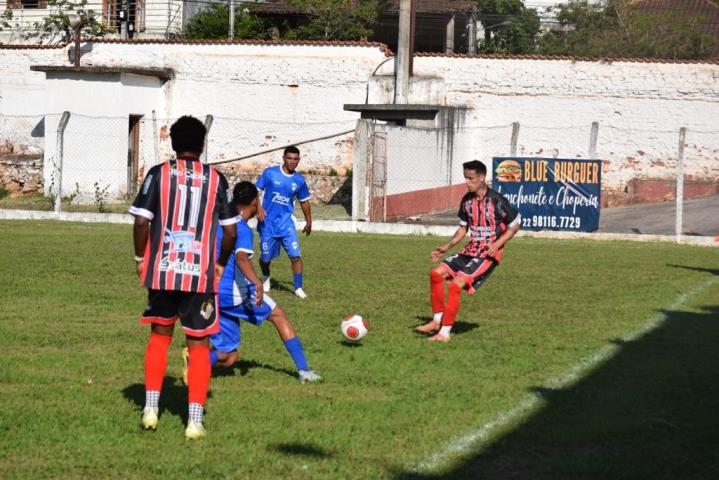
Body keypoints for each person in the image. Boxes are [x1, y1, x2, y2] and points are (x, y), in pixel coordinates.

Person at [130, 115, 238, 440]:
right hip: (199, 277)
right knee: (199, 344)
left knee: (160, 337)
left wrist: (140, 258)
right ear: (202, 145)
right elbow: (231, 232)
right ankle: (194, 422)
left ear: (172, 143)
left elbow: (140, 223)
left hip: (162, 272)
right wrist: (219, 263)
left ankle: (150, 408)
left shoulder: (157, 174)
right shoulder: (217, 180)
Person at [192, 181, 321, 383]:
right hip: (232, 292)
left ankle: (197, 363)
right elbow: (242, 258)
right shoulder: (241, 229)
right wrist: (257, 282)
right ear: (254, 202)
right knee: (279, 316)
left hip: (209, 293)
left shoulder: (218, 221)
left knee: (230, 356)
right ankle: (304, 371)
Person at [416, 160, 521, 342]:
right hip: (470, 249)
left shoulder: (497, 201)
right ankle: (436, 321)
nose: (467, 182)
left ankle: (444, 334)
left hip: (487, 254)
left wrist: (496, 245)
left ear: (481, 178)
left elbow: (515, 225)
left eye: (471, 178)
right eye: (465, 178)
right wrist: (446, 247)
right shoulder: (466, 200)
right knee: (435, 274)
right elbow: (463, 229)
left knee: (455, 285)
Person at [256, 146, 312, 299]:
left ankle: (298, 288)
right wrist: (258, 208)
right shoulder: (270, 173)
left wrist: (309, 221)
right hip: (267, 224)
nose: (292, 162)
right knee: (265, 258)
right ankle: (266, 276)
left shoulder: (299, 180)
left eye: (295, 159)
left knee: (295, 256)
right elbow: (256, 190)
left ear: (298, 160)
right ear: (283, 158)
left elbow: (304, 202)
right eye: (289, 158)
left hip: (287, 224)